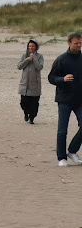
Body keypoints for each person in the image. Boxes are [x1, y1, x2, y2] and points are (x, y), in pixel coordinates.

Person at [47, 32, 82, 167]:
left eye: (80, 43)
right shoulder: (61, 59)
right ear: (69, 43)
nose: (79, 45)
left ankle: (72, 151)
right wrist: (62, 79)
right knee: (62, 131)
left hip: (80, 100)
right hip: (64, 99)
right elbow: (51, 78)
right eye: (76, 43)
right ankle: (61, 158)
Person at [17, 39, 43, 124]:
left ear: (36, 47)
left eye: (33, 46)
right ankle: (26, 113)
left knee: (34, 103)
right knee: (23, 102)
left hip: (35, 84)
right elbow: (19, 66)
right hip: (25, 84)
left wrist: (34, 58)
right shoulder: (24, 55)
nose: (31, 47)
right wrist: (28, 59)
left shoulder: (40, 56)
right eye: (30, 46)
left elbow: (39, 67)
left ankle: (32, 118)